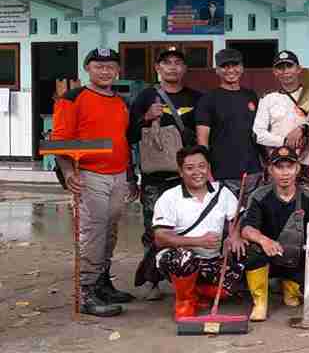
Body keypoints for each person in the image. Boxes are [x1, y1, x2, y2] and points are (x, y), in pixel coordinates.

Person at [52, 47, 137, 317]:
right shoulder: (73, 98)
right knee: (93, 231)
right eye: (98, 66)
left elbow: (124, 141)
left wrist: (130, 175)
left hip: (118, 174)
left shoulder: (120, 101)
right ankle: (86, 291)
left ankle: (102, 282)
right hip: (88, 174)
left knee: (110, 231)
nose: (105, 71)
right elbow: (60, 141)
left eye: (110, 66)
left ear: (117, 71)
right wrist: (67, 172)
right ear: (88, 68)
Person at [128, 46, 203, 300]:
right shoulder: (145, 97)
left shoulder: (197, 98)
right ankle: (152, 280)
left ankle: (192, 276)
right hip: (156, 178)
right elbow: (129, 135)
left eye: (177, 62)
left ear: (185, 68)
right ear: (157, 68)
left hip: (190, 175)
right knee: (155, 229)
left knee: (192, 226)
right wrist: (146, 117)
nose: (172, 67)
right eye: (166, 62)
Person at [153, 145, 246, 320]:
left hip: (213, 259)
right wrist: (198, 241)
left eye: (202, 166)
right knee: (182, 258)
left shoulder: (222, 192)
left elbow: (238, 217)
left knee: (233, 286)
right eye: (189, 168)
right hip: (181, 258)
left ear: (208, 168)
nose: (197, 172)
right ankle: (185, 301)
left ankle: (197, 290)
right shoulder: (169, 197)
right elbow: (160, 238)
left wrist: (234, 235)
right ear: (180, 172)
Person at [240, 146, 309, 321]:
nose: (285, 172)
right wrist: (264, 240)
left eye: (289, 167)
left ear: (297, 169)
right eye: (279, 167)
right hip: (268, 255)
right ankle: (260, 302)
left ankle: (289, 286)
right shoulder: (259, 196)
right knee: (252, 249)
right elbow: (246, 229)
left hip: (297, 257)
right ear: (270, 170)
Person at [196, 48, 264, 197]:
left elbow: (260, 132)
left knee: (252, 219)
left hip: (253, 172)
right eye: (225, 66)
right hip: (222, 173)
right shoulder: (208, 99)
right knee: (227, 220)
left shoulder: (251, 96)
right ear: (217, 70)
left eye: (235, 65)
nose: (231, 70)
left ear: (242, 68)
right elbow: (202, 139)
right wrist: (205, 169)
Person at [252, 50, 309, 185]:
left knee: (307, 203)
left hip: (307, 163)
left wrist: (304, 128)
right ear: (275, 72)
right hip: (280, 163)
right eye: (280, 67)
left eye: (289, 66)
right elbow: (258, 134)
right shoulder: (268, 99)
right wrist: (285, 141)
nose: (285, 71)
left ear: (298, 69)